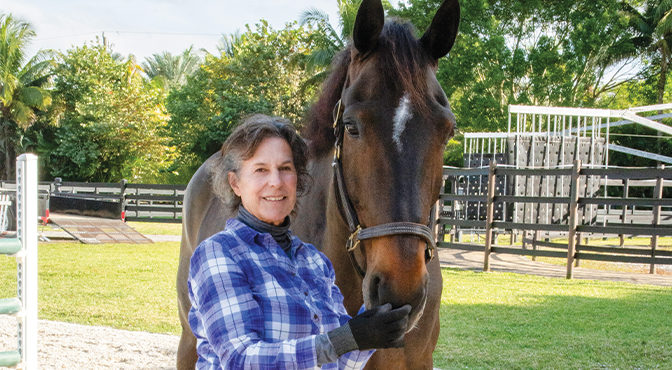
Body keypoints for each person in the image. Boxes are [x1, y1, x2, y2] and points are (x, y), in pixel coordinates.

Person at [188, 114, 412, 369]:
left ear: (297, 178)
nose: (276, 182)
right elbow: (240, 358)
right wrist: (346, 338)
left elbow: (338, 363)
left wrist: (373, 327)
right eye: (260, 170)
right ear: (235, 183)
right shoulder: (218, 254)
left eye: (285, 169)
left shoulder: (315, 262)